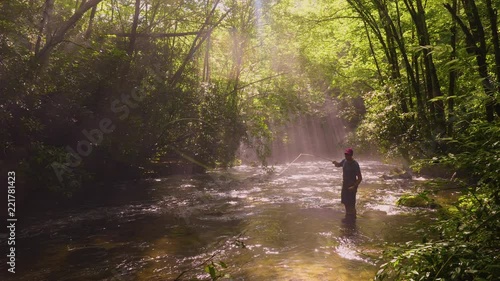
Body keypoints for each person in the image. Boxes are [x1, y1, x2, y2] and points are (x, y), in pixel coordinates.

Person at [332, 148, 362, 219]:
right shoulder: (344, 161)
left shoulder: (355, 164)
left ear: (351, 155)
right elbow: (339, 165)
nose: (346, 156)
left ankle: (353, 219)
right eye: (345, 154)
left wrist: (354, 186)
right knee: (345, 202)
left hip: (352, 186)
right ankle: (348, 217)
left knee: (351, 204)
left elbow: (360, 178)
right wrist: (335, 163)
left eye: (347, 154)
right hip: (345, 185)